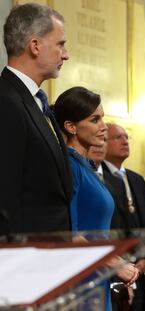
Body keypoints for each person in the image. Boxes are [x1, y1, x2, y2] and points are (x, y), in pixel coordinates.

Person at [53, 86, 139, 310]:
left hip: (96, 276)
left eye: (103, 118)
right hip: (78, 281)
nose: (104, 128)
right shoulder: (69, 166)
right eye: (95, 120)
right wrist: (115, 264)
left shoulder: (85, 166)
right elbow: (69, 231)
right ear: (71, 126)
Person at [0, 3, 72, 234]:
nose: (66, 54)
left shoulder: (36, 101)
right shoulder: (5, 101)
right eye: (60, 44)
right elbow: (5, 198)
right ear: (35, 45)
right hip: (25, 260)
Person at [103, 123, 145, 311]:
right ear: (103, 142)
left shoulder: (137, 180)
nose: (124, 141)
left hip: (140, 269)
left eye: (126, 137)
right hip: (115, 270)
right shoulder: (100, 178)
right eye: (118, 137)